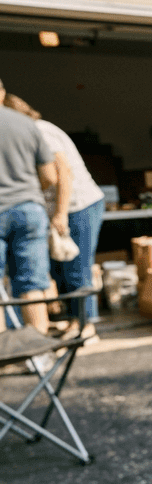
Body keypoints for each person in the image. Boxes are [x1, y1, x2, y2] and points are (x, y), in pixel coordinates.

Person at [4, 93, 103, 332]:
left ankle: (85, 326)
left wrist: (60, 214)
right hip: (52, 209)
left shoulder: (41, 131)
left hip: (77, 205)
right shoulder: (29, 132)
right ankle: (71, 322)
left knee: (76, 267)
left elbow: (63, 174)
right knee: (59, 269)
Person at [0, 77, 56, 333]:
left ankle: (4, 356)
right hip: (29, 209)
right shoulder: (27, 124)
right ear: (2, 93)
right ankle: (39, 350)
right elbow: (50, 177)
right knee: (32, 283)